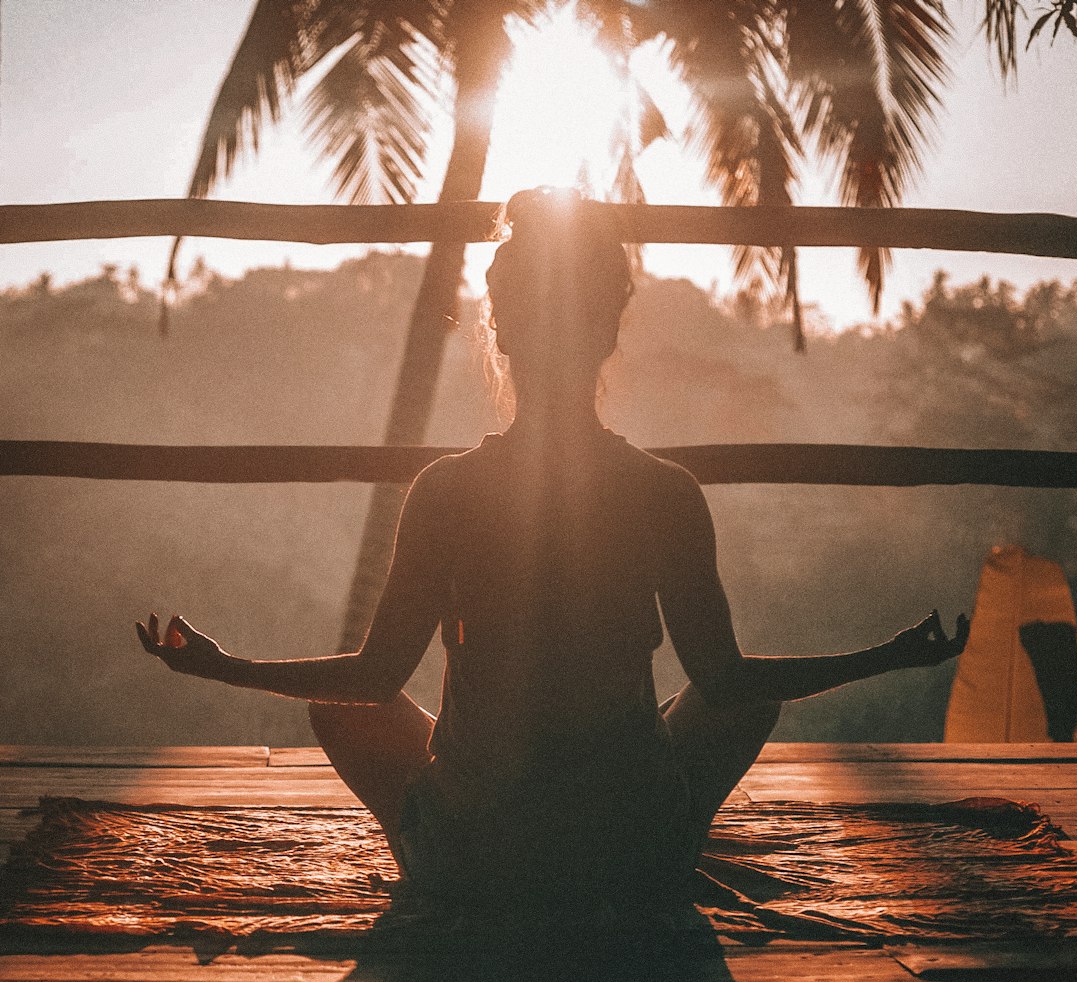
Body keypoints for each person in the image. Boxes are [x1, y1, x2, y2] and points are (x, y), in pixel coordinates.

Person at [138, 187, 968, 918]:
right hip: (631, 855)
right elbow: (728, 681)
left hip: (477, 863)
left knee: (342, 707)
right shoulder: (664, 492)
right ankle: (655, 840)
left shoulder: (448, 490)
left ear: (500, 333)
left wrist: (226, 666)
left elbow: (371, 679)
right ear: (608, 333)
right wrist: (885, 656)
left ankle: (442, 854)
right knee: (745, 698)